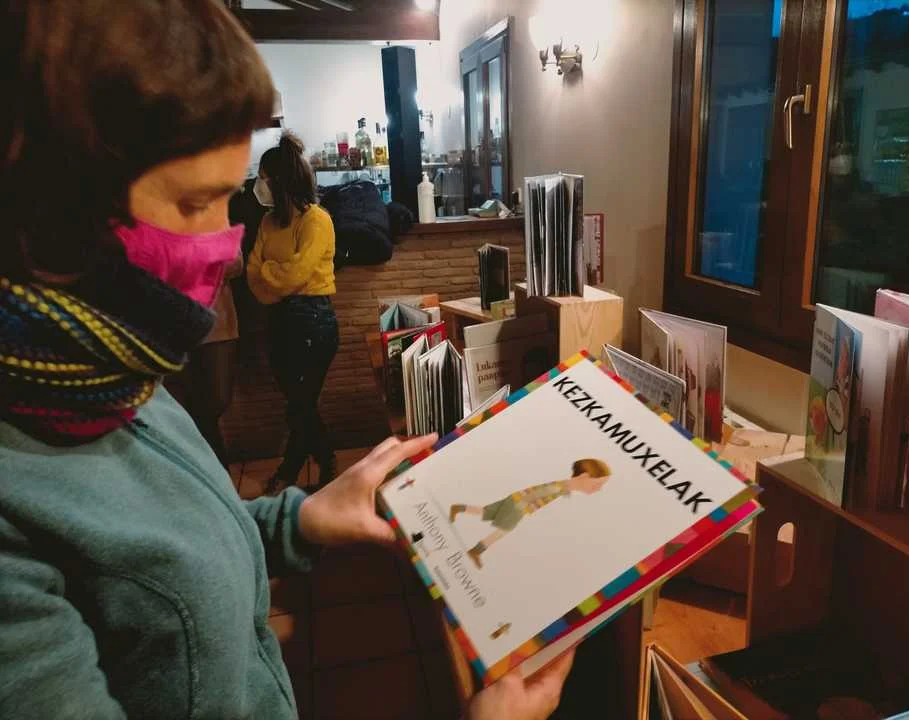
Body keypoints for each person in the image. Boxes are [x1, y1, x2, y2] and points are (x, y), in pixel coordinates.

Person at [0, 2, 573, 719]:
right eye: (196, 203)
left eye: (231, 199)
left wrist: (293, 523)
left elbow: (180, 554)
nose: (223, 242)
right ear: (47, 209)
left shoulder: (115, 378)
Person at [247, 133, 338, 493]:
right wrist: (274, 279)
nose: (258, 185)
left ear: (279, 181)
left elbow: (293, 275)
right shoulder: (268, 222)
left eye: (263, 178)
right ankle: (322, 459)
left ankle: (294, 467)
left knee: (299, 404)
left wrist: (270, 273)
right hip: (278, 319)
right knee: (299, 403)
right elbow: (253, 276)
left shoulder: (316, 220)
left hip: (313, 321)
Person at [450, 458, 612, 568]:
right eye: (598, 484)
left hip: (516, 499)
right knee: (503, 530)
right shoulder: (560, 487)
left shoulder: (564, 487)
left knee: (487, 512)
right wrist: (520, 509)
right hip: (519, 505)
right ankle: (476, 551)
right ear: (584, 476)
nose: (598, 489)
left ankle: (459, 508)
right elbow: (536, 495)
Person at [165, 254, 243, 467]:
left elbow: (235, 263)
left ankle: (211, 473)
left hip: (217, 325)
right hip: (175, 329)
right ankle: (215, 474)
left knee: (216, 401)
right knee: (186, 407)